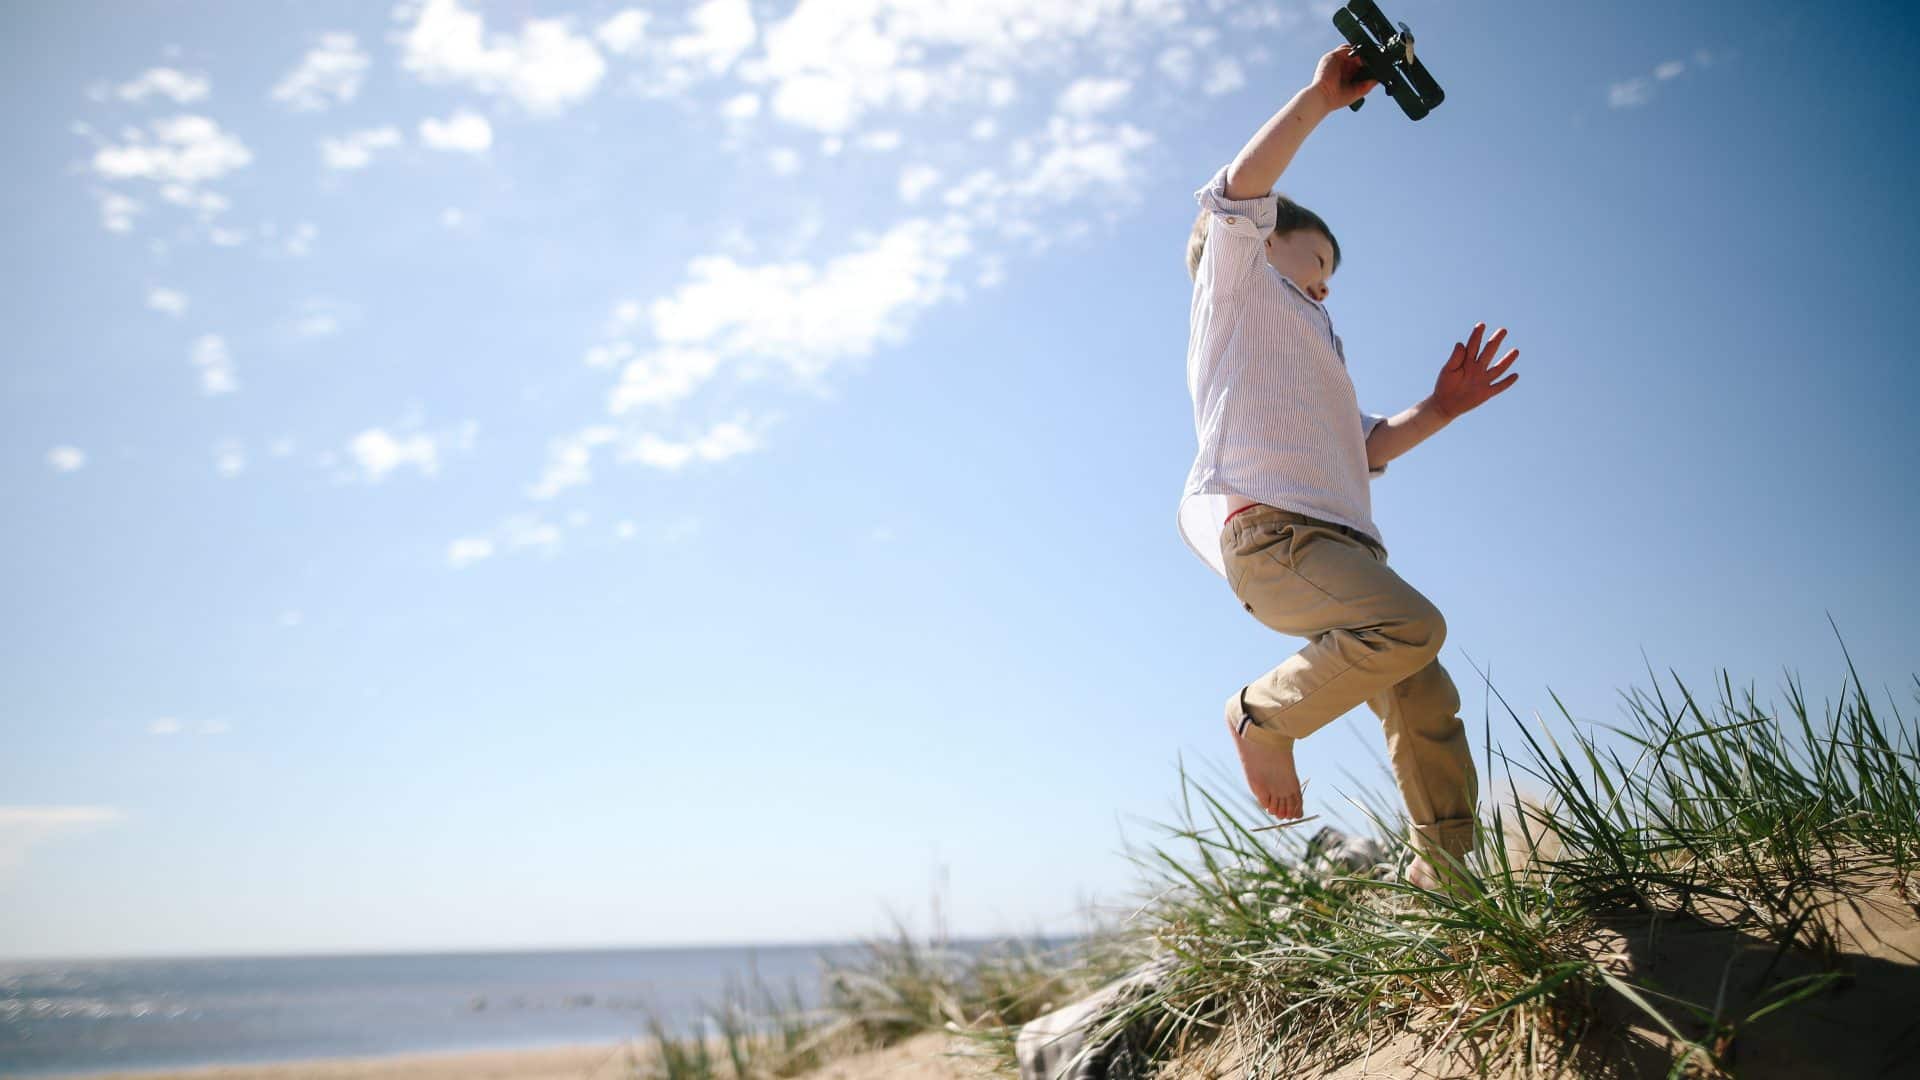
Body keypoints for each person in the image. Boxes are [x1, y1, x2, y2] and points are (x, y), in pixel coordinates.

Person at [1178, 43, 1520, 890]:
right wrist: (1320, 100)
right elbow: (1242, 190)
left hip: (1342, 550)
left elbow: (1366, 446)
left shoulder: (1317, 344)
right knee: (1413, 627)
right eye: (1320, 262)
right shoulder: (1239, 285)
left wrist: (1439, 407)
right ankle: (1260, 717)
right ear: (1269, 245)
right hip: (1274, 539)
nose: (1327, 286)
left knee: (1422, 693)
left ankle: (1445, 873)